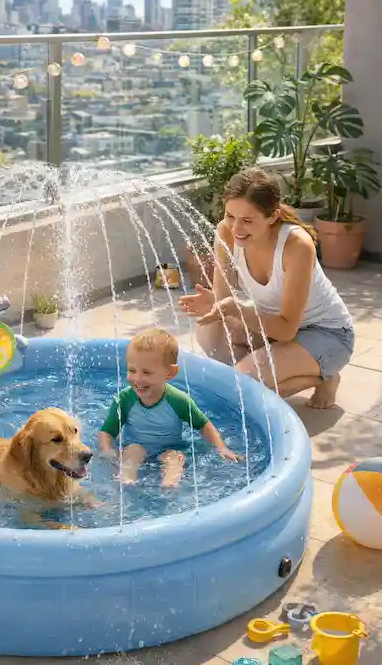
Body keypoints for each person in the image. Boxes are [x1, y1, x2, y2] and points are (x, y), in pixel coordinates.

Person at [179, 168, 354, 409]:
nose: (236, 228)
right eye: (230, 216)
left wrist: (238, 309)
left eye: (248, 220)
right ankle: (275, 366)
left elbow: (286, 330)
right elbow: (224, 302)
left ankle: (326, 374)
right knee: (210, 335)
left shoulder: (296, 246)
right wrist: (216, 304)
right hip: (272, 327)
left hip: (326, 333)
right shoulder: (226, 233)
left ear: (272, 217)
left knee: (241, 386)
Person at [97, 328, 240, 488]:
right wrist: (107, 450)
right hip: (136, 446)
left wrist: (221, 448)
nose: (137, 378)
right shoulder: (124, 399)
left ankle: (170, 487)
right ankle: (125, 482)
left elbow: (204, 425)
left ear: (170, 373)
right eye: (132, 370)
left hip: (170, 448)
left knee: (175, 458)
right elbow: (107, 432)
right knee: (132, 451)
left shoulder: (178, 400)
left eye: (146, 372)